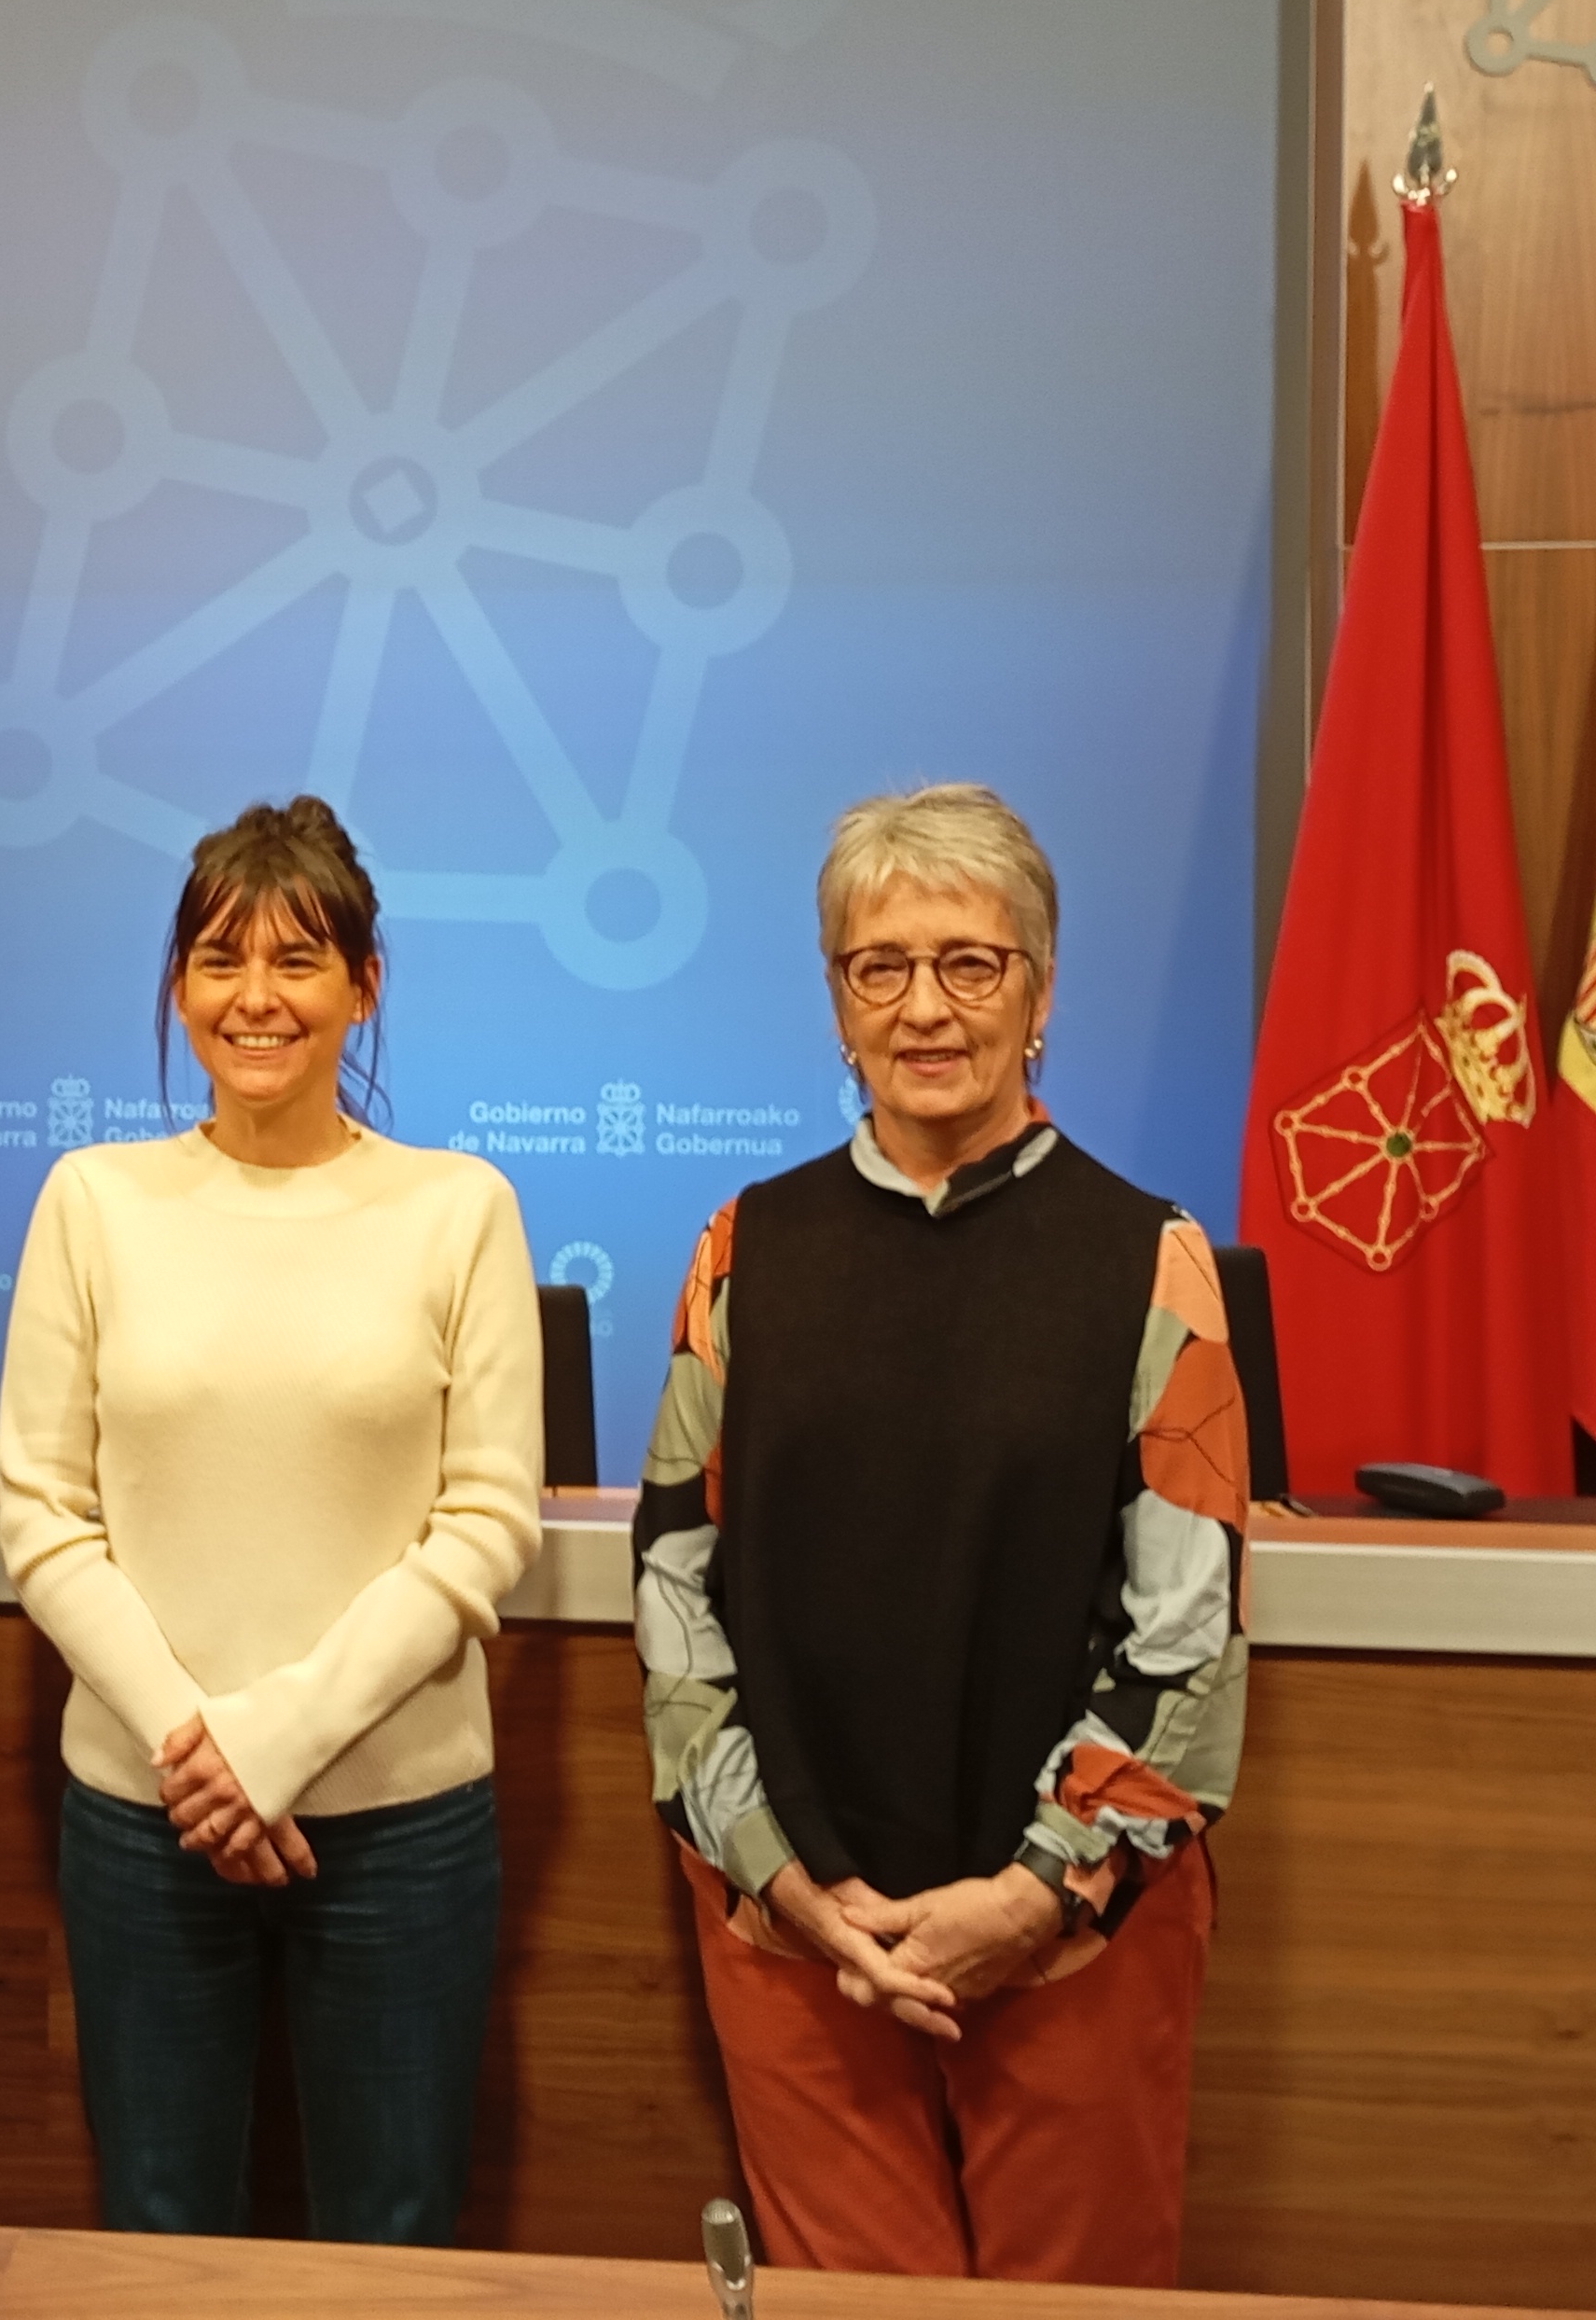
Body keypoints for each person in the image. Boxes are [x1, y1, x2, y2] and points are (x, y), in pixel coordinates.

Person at [631, 783, 1248, 2287]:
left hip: (1072, 1944)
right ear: (836, 1004)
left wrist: (1034, 1894)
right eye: (879, 966)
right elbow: (674, 1591)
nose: (924, 1007)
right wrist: (787, 1883)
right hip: (802, 1941)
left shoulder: (1150, 1260)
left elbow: (1188, 1636)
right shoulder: (743, 1252)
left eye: (970, 963)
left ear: (1040, 993)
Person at [0, 797, 543, 2245]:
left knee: (397, 2231)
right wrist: (202, 1751)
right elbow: (44, 1515)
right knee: (163, 2225)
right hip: (144, 1814)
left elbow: (488, 1518)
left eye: (299, 961)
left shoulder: (459, 1208)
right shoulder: (93, 1199)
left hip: (402, 1824)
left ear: (365, 985)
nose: (257, 999)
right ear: (179, 988)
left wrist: (282, 1738)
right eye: (220, 960)